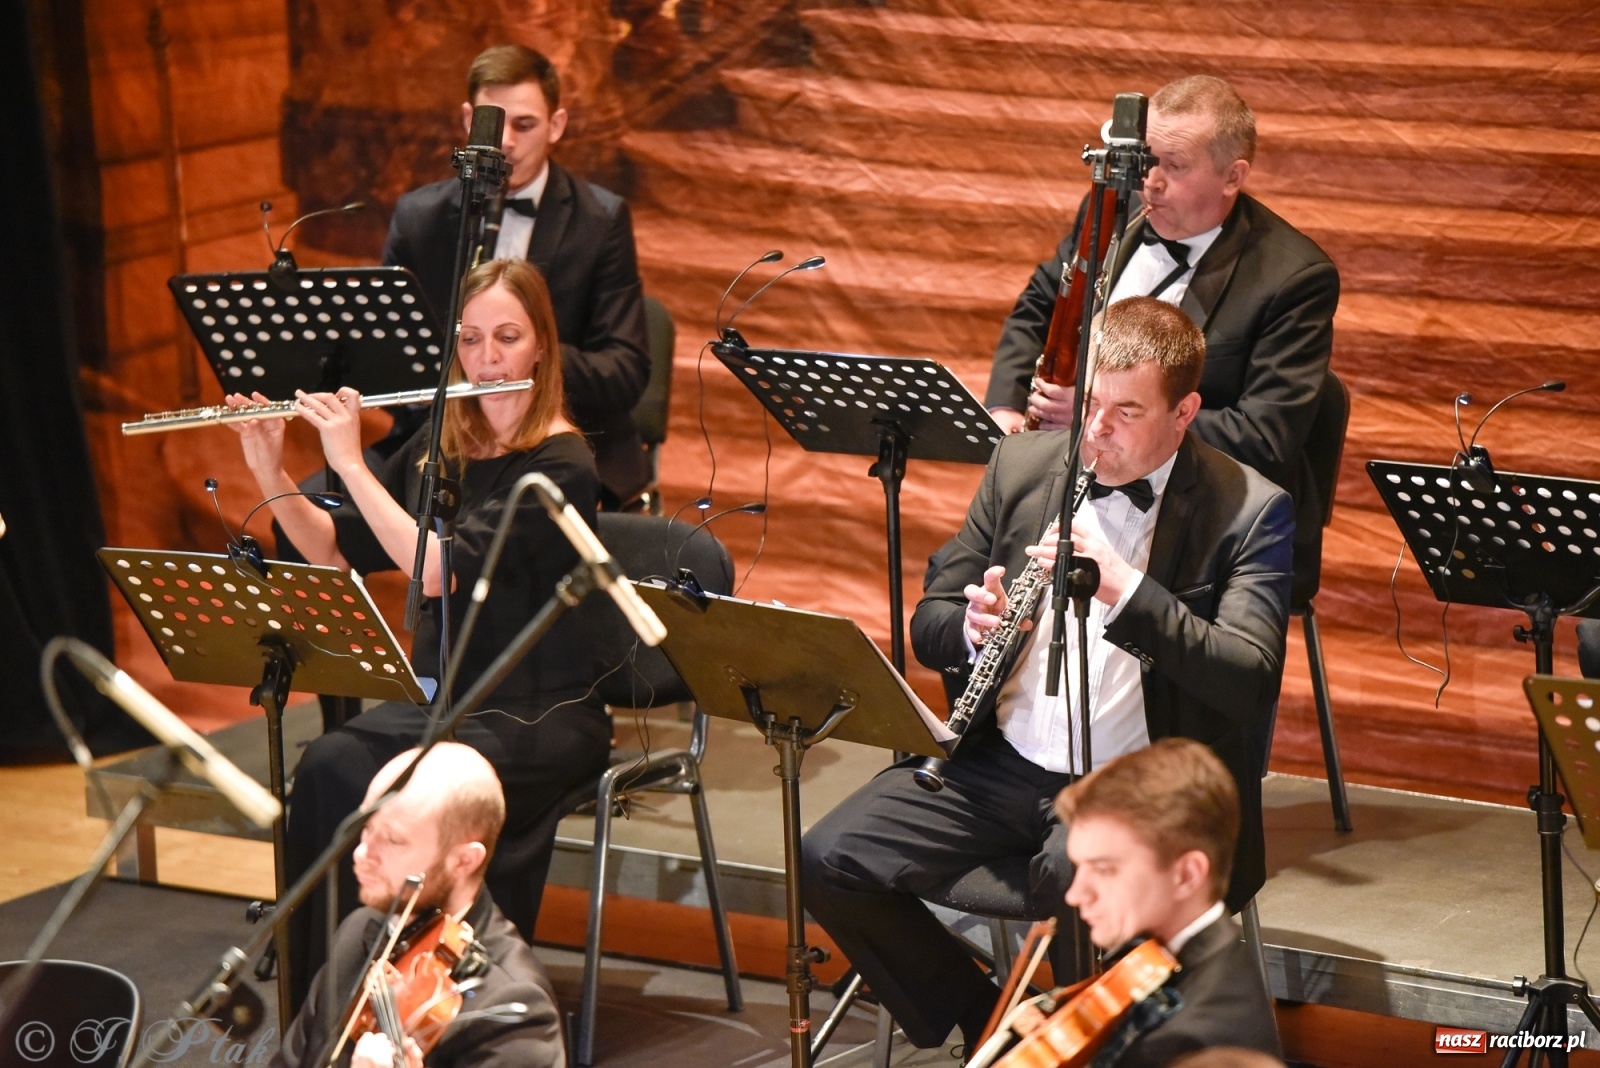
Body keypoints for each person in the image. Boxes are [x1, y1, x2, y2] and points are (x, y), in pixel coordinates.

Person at [802, 297, 1293, 1051]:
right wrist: (972, 627)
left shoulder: (1249, 511)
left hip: (1138, 781)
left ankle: (1090, 1045)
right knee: (830, 856)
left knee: (1081, 876)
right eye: (1092, 401)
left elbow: (1247, 677)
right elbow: (929, 619)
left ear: (1185, 411)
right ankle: (992, 1022)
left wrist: (1123, 589)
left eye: (1127, 411)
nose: (1096, 429)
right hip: (1000, 763)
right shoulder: (1024, 464)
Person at [230, 258, 613, 1010]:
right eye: (470, 341)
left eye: (507, 338)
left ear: (541, 346)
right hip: (450, 700)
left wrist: (347, 459)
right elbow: (334, 548)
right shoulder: (448, 444)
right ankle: (327, 1008)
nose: (487, 359)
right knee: (331, 765)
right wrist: (270, 470)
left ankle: (425, 1005)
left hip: (539, 711)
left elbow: (438, 570)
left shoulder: (560, 465)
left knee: (407, 792)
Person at [985, 75, 1338, 568]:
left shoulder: (1294, 278)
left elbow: (1265, 436)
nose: (1151, 181)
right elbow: (1041, 303)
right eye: (1148, 159)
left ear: (1233, 177)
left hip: (1194, 510)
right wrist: (1004, 406)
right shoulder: (1114, 206)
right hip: (1070, 471)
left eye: (1174, 166)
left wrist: (1093, 420)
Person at [382, 44, 652, 509]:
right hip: (439, 444)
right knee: (307, 517)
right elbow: (385, 352)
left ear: (557, 126)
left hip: (563, 447)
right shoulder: (417, 217)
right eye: (492, 122)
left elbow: (625, 370)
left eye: (524, 125)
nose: (504, 141)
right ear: (468, 120)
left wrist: (516, 359)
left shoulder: (600, 220)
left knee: (498, 537)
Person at [270, 742, 566, 1068]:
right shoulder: (360, 932)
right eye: (366, 828)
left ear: (464, 861)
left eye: (393, 840)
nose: (361, 854)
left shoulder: (512, 1010)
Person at [1031, 739, 1281, 1066]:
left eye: (1105, 869)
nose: (1075, 895)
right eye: (1079, 867)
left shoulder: (1192, 1042)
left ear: (1187, 875)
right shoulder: (1154, 951)